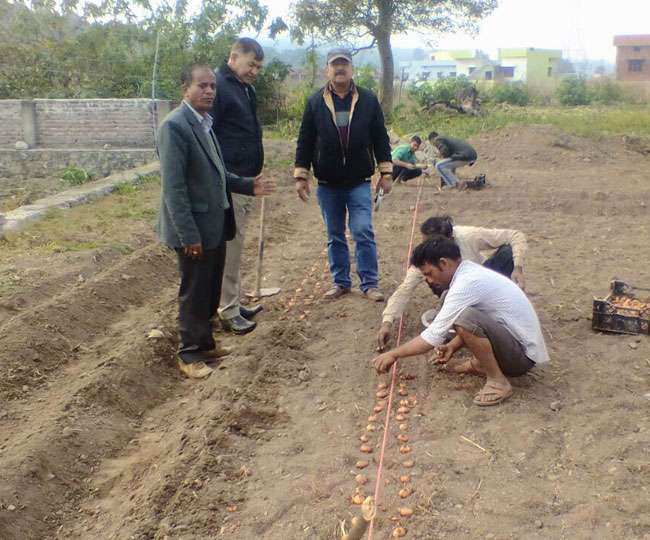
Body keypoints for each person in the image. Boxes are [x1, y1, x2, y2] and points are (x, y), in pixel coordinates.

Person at [157, 64, 275, 379]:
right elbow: (174, 188)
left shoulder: (205, 124)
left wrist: (249, 185)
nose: (209, 91)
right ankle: (189, 353)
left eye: (212, 86)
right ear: (185, 88)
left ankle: (206, 343)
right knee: (194, 291)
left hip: (215, 223)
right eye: (202, 86)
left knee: (210, 289)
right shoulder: (175, 127)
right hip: (194, 228)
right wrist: (187, 235)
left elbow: (218, 174)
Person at [372, 237, 549, 407]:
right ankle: (480, 364)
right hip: (515, 343)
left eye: (429, 273)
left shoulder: (466, 284)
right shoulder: (469, 271)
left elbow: (431, 338)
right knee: (458, 309)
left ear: (443, 263)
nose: (429, 280)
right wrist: (453, 346)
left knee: (465, 317)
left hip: (522, 358)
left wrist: (394, 354)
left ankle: (498, 382)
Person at [294, 48, 393, 301]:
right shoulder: (315, 102)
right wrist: (301, 175)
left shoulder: (368, 100)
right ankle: (341, 283)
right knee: (334, 234)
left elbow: (380, 138)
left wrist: (386, 172)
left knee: (362, 230)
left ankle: (370, 284)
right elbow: (305, 140)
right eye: (335, 65)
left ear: (352, 69)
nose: (340, 69)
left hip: (358, 181)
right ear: (327, 69)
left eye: (344, 65)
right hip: (328, 183)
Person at [377, 215, 528, 351]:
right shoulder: (426, 258)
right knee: (460, 312)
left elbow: (515, 235)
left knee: (507, 253)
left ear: (450, 238)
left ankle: (490, 311)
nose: (429, 246)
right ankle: (453, 312)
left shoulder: (468, 236)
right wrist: (387, 323)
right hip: (455, 293)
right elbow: (404, 290)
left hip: (483, 284)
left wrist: (518, 267)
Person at [212, 37, 265, 335]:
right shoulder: (218, 88)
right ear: (233, 57)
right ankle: (228, 310)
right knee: (230, 247)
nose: (255, 71)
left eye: (258, 66)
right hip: (229, 181)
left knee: (237, 244)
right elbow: (210, 136)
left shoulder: (245, 89)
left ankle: (233, 300)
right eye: (251, 64)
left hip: (245, 181)